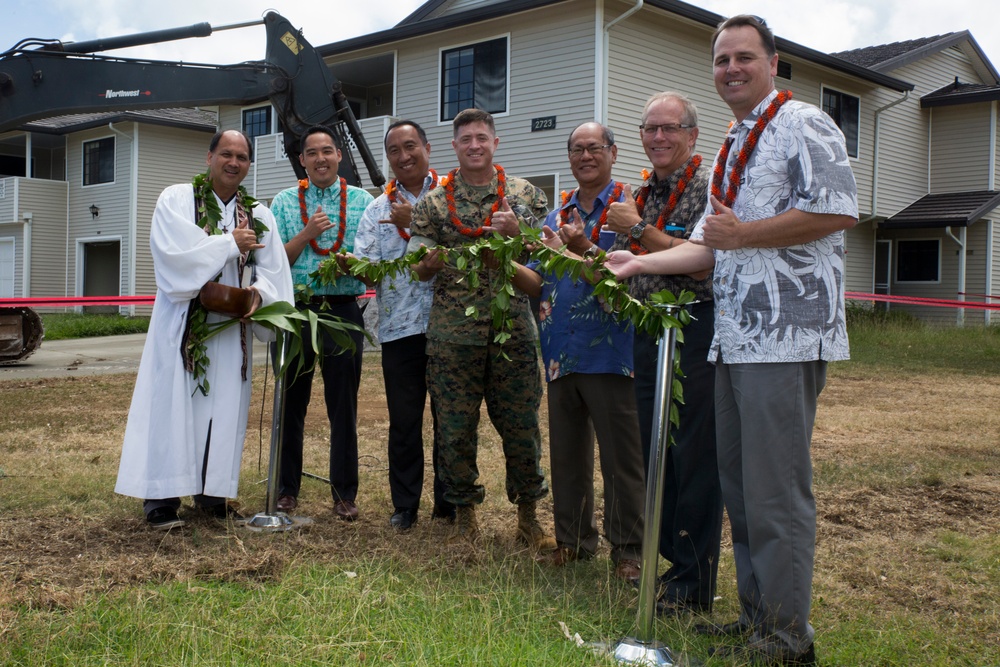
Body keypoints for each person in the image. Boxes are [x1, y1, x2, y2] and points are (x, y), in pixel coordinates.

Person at [605, 15, 858, 666]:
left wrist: (743, 236)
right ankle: (757, 620)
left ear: (774, 62)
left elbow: (837, 209)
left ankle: (786, 638)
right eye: (721, 60)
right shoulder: (732, 144)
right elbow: (706, 248)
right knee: (743, 490)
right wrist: (639, 263)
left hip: (787, 335)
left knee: (776, 491)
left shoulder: (804, 123)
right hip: (734, 337)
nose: (732, 68)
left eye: (745, 57)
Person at [116, 129, 293, 529]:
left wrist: (256, 296)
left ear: (249, 165)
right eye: (226, 154)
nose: (233, 162)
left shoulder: (259, 215)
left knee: (224, 409)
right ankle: (160, 498)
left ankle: (212, 494)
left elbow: (275, 274)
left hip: (232, 331)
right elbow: (174, 260)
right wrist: (229, 243)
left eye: (242, 157)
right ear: (209, 157)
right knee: (174, 406)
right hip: (182, 328)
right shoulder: (176, 200)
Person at [407, 108, 555, 550]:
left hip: (514, 333)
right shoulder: (433, 202)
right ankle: (464, 519)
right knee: (454, 429)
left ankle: (529, 517)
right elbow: (416, 265)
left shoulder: (526, 195)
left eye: (482, 137)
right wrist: (425, 264)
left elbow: (546, 258)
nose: (474, 145)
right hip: (454, 336)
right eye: (466, 138)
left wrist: (519, 231)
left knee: (522, 427)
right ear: (454, 146)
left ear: (496, 142)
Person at [509, 122, 646, 581]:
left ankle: (628, 549)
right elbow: (536, 280)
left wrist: (579, 249)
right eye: (577, 149)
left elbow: (619, 278)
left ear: (613, 151)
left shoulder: (630, 210)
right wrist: (502, 261)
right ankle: (573, 540)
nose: (585, 156)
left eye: (594, 148)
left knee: (620, 458)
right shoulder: (556, 215)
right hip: (560, 350)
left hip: (613, 350)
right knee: (568, 455)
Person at [604, 91, 723, 614]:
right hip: (649, 330)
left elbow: (699, 265)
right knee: (658, 452)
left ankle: (694, 582)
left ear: (692, 135)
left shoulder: (708, 187)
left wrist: (634, 228)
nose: (657, 137)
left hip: (694, 329)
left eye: (669, 128)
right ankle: (668, 564)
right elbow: (642, 257)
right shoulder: (646, 190)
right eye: (649, 128)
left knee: (694, 454)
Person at [352, 120, 455, 530]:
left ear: (427, 148)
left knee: (450, 419)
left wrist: (416, 223)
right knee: (405, 421)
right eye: (394, 150)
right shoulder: (376, 210)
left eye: (410, 146)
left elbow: (469, 243)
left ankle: (449, 504)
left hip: (450, 325)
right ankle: (405, 505)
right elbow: (368, 269)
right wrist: (357, 269)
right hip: (399, 328)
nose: (403, 156)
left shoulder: (453, 195)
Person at [270, 125, 374, 521]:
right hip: (296, 309)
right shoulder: (282, 202)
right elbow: (275, 262)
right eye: (311, 152)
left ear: (339, 155)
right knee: (291, 403)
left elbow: (373, 267)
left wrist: (354, 264)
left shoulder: (363, 201)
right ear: (302, 160)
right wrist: (308, 233)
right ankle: (285, 490)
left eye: (327, 150)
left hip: (342, 309)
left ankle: (344, 493)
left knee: (342, 404)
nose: (320, 158)